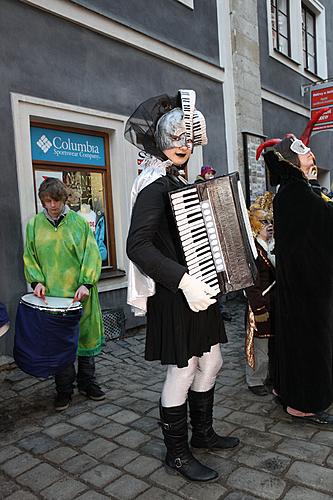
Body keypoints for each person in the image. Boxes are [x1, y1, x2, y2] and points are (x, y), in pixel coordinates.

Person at [125, 90, 239, 482]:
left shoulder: (179, 181)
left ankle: (202, 433)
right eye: (174, 137)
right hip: (176, 296)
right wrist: (184, 280)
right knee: (183, 370)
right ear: (160, 140)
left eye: (188, 138)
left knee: (213, 362)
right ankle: (177, 453)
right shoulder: (154, 184)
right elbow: (137, 245)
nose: (182, 145)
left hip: (201, 290)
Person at [256, 108, 333, 424]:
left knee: (289, 340)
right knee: (308, 344)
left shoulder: (287, 191)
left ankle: (284, 390)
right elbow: (325, 223)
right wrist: (318, 192)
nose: (312, 157)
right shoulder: (299, 192)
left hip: (295, 285)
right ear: (291, 160)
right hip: (308, 290)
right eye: (306, 154)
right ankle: (303, 403)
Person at [23, 178, 105, 411]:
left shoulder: (78, 223)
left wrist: (86, 283)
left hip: (81, 295)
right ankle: (64, 390)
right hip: (53, 300)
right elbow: (30, 256)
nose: (52, 205)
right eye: (47, 201)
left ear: (64, 199)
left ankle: (88, 382)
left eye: (56, 200)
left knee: (85, 339)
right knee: (61, 345)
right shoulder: (34, 226)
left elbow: (92, 254)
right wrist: (36, 281)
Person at [245, 192, 275, 397]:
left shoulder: (272, 246)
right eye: (264, 222)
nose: (269, 225)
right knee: (260, 345)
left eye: (271, 221)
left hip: (275, 303)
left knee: (272, 343)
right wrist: (259, 308)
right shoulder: (253, 251)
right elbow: (250, 284)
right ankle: (255, 380)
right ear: (254, 224)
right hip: (260, 305)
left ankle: (270, 377)